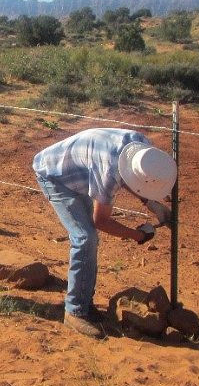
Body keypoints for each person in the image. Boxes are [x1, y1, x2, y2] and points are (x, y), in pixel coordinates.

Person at [32, 128, 177, 338]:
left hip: (78, 170)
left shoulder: (141, 148)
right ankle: (75, 312)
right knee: (85, 237)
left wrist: (154, 206)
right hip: (54, 175)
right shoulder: (108, 173)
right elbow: (101, 221)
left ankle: (84, 302)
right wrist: (139, 236)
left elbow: (131, 176)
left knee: (88, 238)